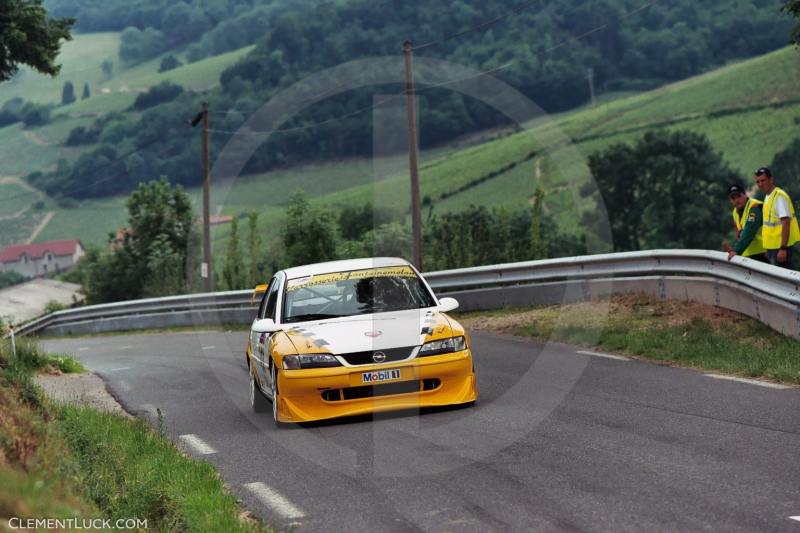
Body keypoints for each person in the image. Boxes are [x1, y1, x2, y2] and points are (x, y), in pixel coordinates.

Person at [754, 167, 800, 268]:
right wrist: (767, 248)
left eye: (763, 180)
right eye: (758, 182)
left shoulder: (779, 196)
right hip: (773, 248)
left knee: (786, 280)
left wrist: (783, 248)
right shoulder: (768, 196)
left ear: (771, 179)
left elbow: (786, 222)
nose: (760, 184)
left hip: (780, 249)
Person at [725, 183, 766, 262]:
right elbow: (739, 234)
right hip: (748, 255)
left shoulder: (754, 207)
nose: (736, 200)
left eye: (739, 196)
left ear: (745, 195)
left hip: (763, 253)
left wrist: (736, 250)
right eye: (733, 198)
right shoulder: (735, 212)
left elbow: (749, 231)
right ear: (730, 200)